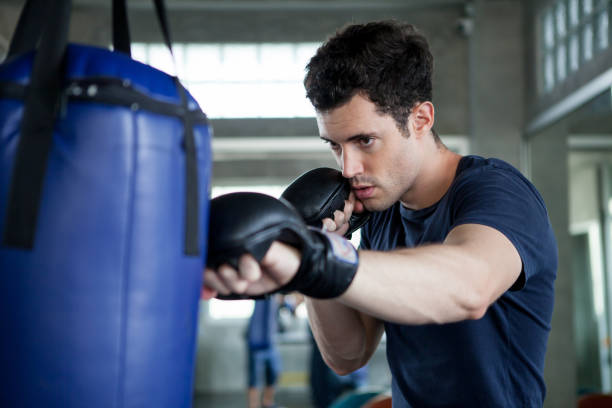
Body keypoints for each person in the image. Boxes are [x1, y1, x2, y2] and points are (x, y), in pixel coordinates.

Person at [203, 20, 557, 407]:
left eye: (365, 140)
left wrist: (311, 260)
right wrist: (325, 243)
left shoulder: (497, 192)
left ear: (420, 119)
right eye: (335, 146)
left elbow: (468, 287)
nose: (349, 167)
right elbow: (346, 356)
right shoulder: (382, 213)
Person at [246, 297, 282, 408]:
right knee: (254, 378)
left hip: (270, 342)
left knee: (274, 373)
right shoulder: (262, 293)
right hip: (256, 342)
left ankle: (267, 403)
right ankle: (253, 406)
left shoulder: (276, 298)